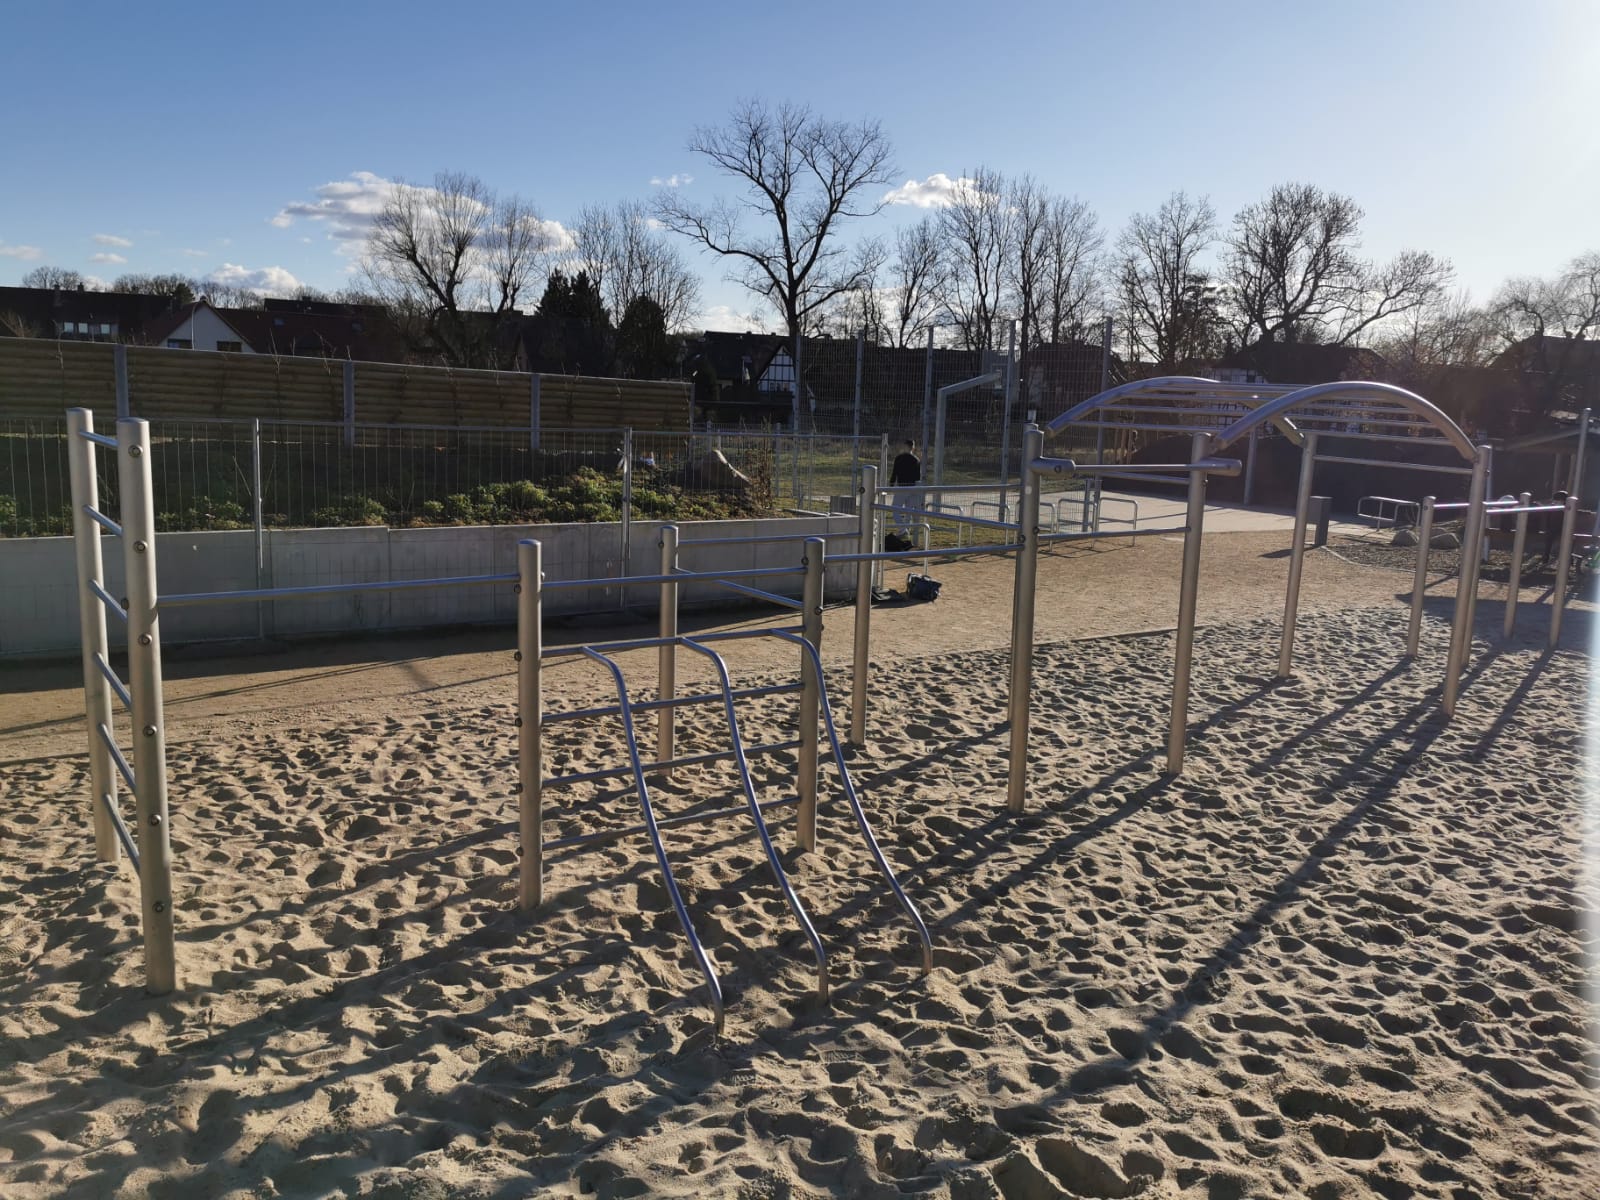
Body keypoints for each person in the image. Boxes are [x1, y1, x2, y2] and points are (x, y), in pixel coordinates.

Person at [889, 438, 921, 530]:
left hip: (901, 487)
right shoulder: (916, 460)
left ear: (905, 446)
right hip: (912, 488)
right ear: (913, 448)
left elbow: (894, 474)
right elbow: (917, 478)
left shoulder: (899, 458)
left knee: (895, 511)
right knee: (908, 512)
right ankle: (905, 532)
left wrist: (891, 486)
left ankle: (903, 530)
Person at [1539, 490, 1569, 566]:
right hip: (1552, 528)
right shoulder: (1553, 507)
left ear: (1563, 501)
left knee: (1564, 545)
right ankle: (1545, 558)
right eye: (1555, 501)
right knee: (1548, 541)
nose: (1555, 502)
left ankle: (1567, 561)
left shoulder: (1566, 508)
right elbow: (1548, 517)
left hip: (1563, 529)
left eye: (1557, 501)